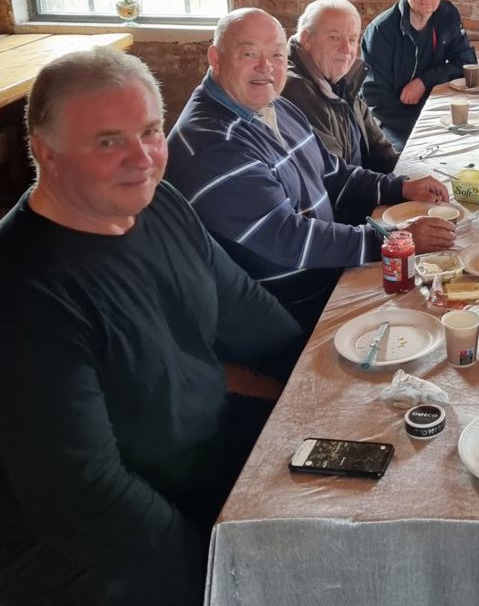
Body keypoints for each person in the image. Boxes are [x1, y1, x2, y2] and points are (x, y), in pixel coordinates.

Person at [0, 48, 303, 606]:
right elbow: (86, 498)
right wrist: (220, 574)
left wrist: (321, 384)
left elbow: (245, 307)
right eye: (108, 142)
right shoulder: (24, 292)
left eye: (150, 132)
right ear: (46, 153)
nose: (141, 159)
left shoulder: (158, 203)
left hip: (202, 448)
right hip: (100, 543)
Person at [166, 8, 455, 334]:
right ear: (215, 59)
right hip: (290, 314)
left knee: (444, 291)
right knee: (429, 321)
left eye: (276, 55)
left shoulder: (273, 105)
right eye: (249, 54)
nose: (266, 67)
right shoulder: (214, 144)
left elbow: (332, 173)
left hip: (327, 273)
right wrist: (393, 240)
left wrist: (401, 187)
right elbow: (288, 238)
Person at [360, 0, 476, 151]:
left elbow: (466, 64)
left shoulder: (447, 14)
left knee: (469, 146)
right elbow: (375, 99)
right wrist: (421, 124)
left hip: (435, 109)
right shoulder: (381, 31)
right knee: (406, 162)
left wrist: (424, 81)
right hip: (393, 122)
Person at [284, 0, 398, 173]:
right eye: (334, 38)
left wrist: (411, 177)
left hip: (364, 184)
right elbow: (335, 176)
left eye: (352, 39)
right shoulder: (296, 89)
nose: (346, 49)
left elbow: (381, 152)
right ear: (306, 40)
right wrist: (398, 185)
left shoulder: (343, 81)